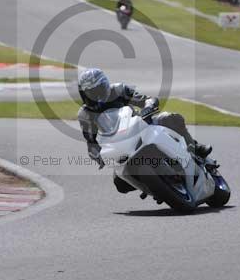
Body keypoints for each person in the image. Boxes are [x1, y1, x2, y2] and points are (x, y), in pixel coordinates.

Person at [77, 68, 212, 194]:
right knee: (120, 184)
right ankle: (155, 187)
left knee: (170, 118)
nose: (95, 96)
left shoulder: (119, 90)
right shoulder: (85, 114)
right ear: (83, 94)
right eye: (90, 93)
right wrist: (98, 157)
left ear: (105, 86)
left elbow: (146, 100)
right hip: (119, 145)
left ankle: (194, 147)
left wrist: (149, 106)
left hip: (140, 126)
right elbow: (91, 143)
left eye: (97, 91)